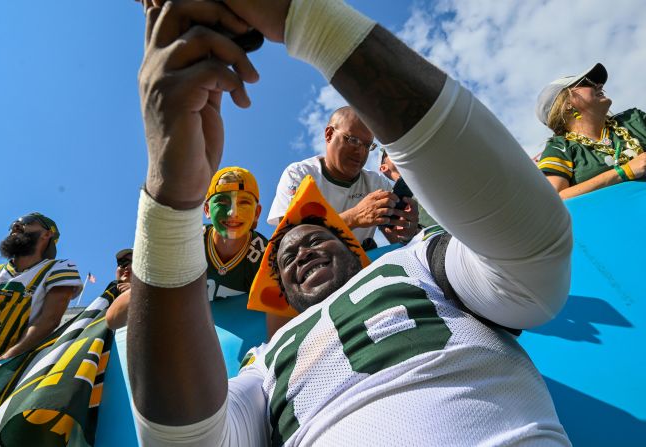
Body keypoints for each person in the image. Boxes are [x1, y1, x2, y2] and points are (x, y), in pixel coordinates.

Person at [128, 0, 572, 445]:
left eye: (315, 238)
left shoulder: (418, 266)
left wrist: (303, 17)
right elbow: (184, 440)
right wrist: (171, 196)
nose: (299, 250)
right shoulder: (265, 365)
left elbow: (533, 255)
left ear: (353, 248)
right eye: (285, 256)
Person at [268, 105, 419, 248]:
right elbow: (289, 241)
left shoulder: (376, 183)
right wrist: (354, 217)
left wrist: (406, 233)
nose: (360, 152)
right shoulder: (299, 174)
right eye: (353, 140)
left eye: (367, 146)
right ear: (329, 134)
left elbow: (398, 240)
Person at [0, 213, 81, 373]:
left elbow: (49, 320)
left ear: (47, 234)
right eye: (13, 224)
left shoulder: (59, 268)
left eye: (26, 222)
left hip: (5, 373)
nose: (16, 226)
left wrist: (0, 364)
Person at [536, 63, 646, 199]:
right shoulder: (559, 147)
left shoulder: (634, 119)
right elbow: (555, 198)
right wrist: (624, 172)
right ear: (567, 104)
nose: (599, 85)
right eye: (586, 82)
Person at [203, 167, 268, 301]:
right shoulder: (187, 243)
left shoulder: (267, 258)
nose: (232, 213)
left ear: (257, 213)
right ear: (207, 209)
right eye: (222, 201)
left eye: (244, 202)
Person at [379, 149, 437, 229]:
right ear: (384, 167)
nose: (397, 152)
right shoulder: (392, 204)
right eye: (390, 152)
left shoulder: (428, 171)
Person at [105, 248, 133, 330]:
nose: (128, 266)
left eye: (136, 263)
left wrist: (136, 290)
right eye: (123, 262)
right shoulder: (104, 300)